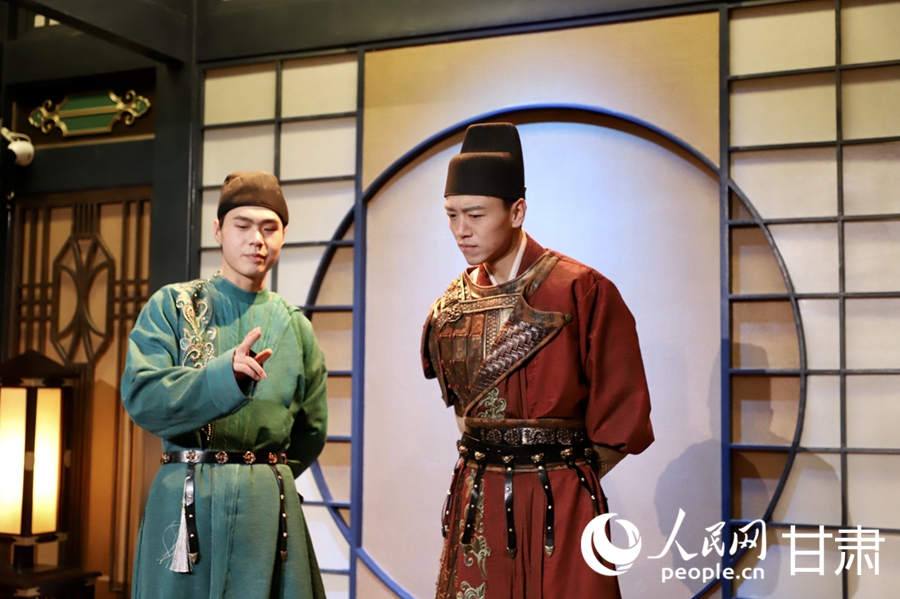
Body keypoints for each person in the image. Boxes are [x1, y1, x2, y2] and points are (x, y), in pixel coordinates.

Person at [421, 123, 654, 599]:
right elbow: (464, 412)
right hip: (479, 496)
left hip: (561, 499)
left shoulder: (581, 290)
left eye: (476, 214)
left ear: (517, 211)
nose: (462, 230)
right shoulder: (450, 306)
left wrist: (562, 478)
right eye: (451, 215)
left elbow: (623, 418)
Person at [122, 171, 328, 599]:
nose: (257, 239)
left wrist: (260, 480)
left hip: (267, 509)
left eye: (269, 228)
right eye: (243, 225)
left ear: (283, 236)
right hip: (186, 503)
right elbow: (143, 395)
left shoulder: (296, 327)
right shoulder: (173, 306)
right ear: (218, 230)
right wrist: (223, 378)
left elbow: (311, 431)